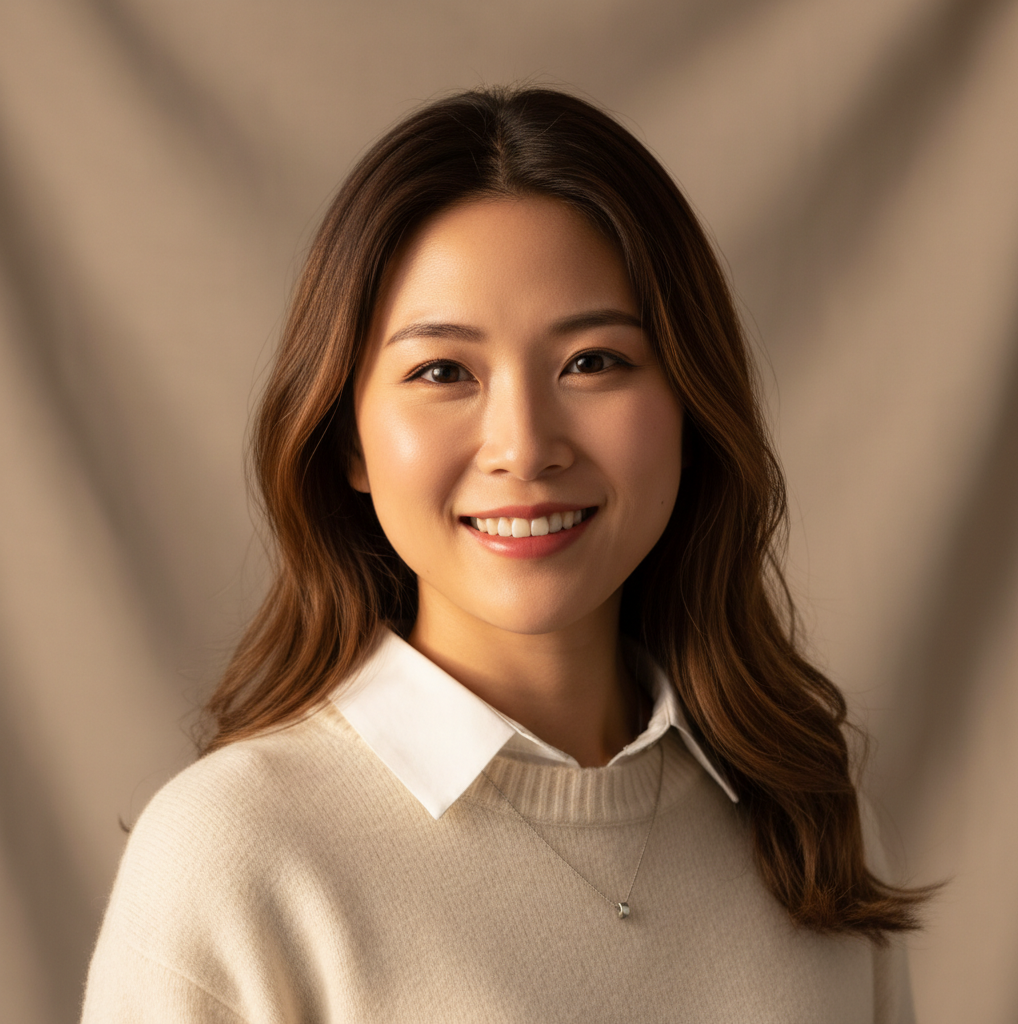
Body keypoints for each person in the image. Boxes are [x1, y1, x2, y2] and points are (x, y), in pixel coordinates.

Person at [81, 86, 931, 1023]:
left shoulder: (814, 822)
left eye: (592, 362)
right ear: (350, 442)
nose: (524, 447)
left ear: (689, 405)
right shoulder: (234, 855)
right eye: (443, 372)